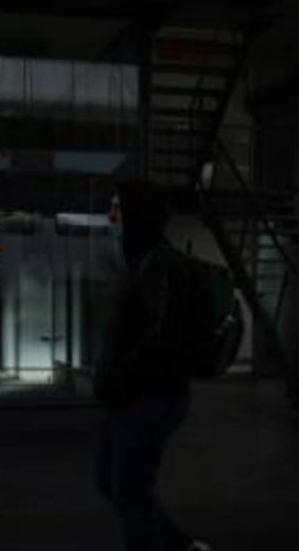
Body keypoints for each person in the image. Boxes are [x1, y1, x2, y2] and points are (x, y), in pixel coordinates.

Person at [94, 181, 211, 551]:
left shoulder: (163, 265)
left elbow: (163, 338)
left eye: (118, 209)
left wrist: (122, 376)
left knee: (130, 493)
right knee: (110, 481)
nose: (111, 217)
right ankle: (181, 547)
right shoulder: (140, 261)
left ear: (138, 215)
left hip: (149, 398)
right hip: (131, 396)